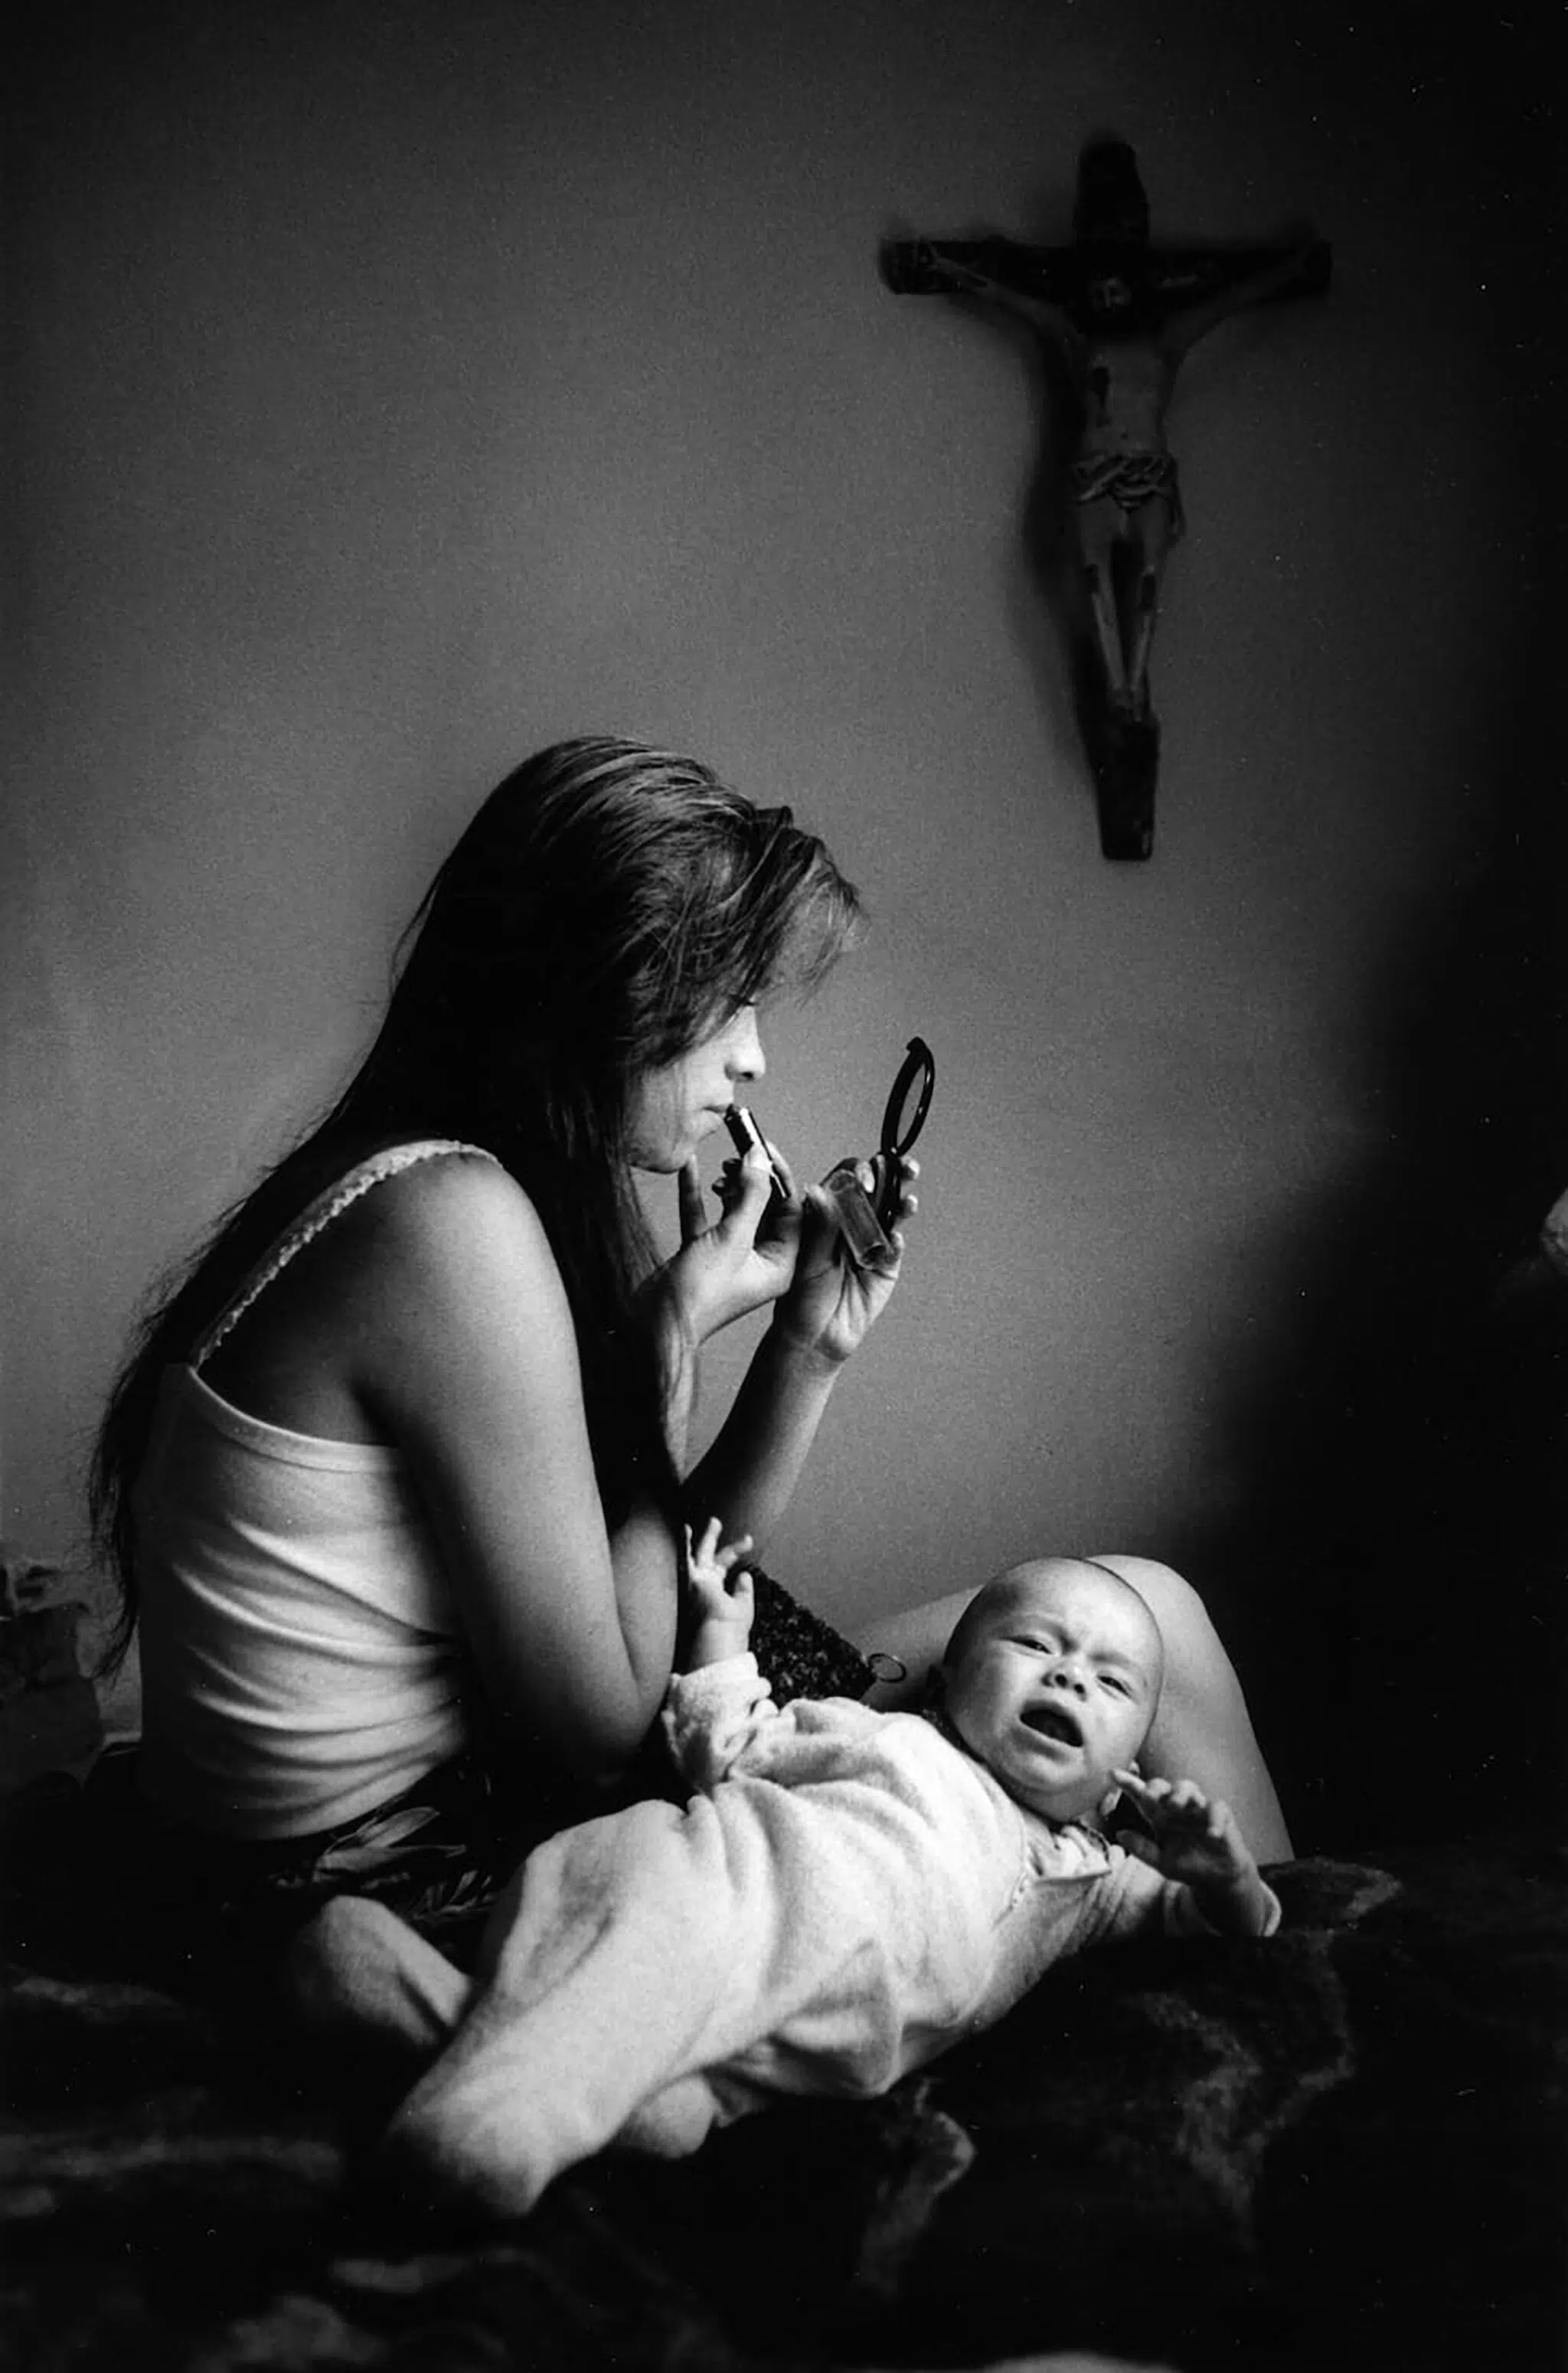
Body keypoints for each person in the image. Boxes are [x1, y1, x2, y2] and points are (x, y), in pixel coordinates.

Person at [88, 731, 1289, 2020]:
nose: (754, 1059)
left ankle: (1267, 1965)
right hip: (403, 1879)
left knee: (1125, 1618)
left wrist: (802, 1346)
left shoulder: (421, 1188)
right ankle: (1291, 1993)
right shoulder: (452, 1227)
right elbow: (607, 1719)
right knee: (1141, 1620)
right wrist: (664, 1346)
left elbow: (664, 1590)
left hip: (430, 1806)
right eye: (730, 1003)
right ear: (608, 989)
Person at [302, 1536, 1279, 2220]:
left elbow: (1234, 1928)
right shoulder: (875, 1735)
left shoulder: (1088, 1879)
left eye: (1111, 1684)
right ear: (944, 1683)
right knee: (645, 1983)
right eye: (1034, 1645)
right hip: (713, 1887)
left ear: (1129, 1770)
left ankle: (388, 1990)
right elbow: (726, 1744)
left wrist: (1223, 1873)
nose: (1068, 1677)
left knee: (668, 2119)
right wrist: (721, 1635)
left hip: (786, 2056)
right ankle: (478, 2132)